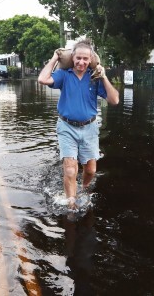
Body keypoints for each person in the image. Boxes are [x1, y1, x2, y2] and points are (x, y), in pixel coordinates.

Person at [37, 39, 119, 208]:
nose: (81, 62)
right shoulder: (64, 75)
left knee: (90, 170)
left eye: (85, 59)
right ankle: (71, 204)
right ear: (73, 58)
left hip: (89, 128)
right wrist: (55, 58)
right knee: (70, 169)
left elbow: (114, 100)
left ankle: (84, 187)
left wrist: (103, 76)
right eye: (78, 58)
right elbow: (42, 79)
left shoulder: (94, 78)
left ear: (90, 60)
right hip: (66, 127)